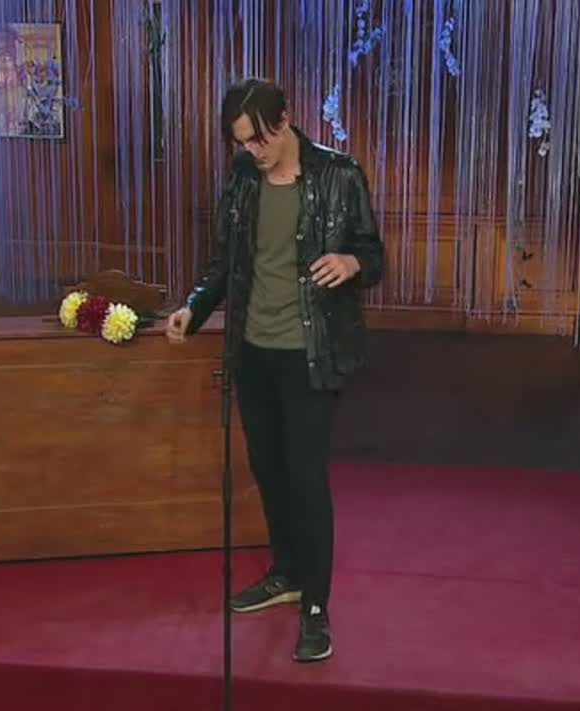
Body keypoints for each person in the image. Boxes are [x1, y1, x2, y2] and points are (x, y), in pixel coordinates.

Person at [164, 77, 384, 663]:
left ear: (284, 120)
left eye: (258, 140)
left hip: (311, 352)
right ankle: (286, 572)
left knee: (306, 478)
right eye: (242, 143)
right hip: (253, 352)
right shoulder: (243, 178)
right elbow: (225, 262)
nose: (251, 152)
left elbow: (374, 255)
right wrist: (194, 307)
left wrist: (351, 261)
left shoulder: (339, 173)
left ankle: (315, 606)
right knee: (270, 471)